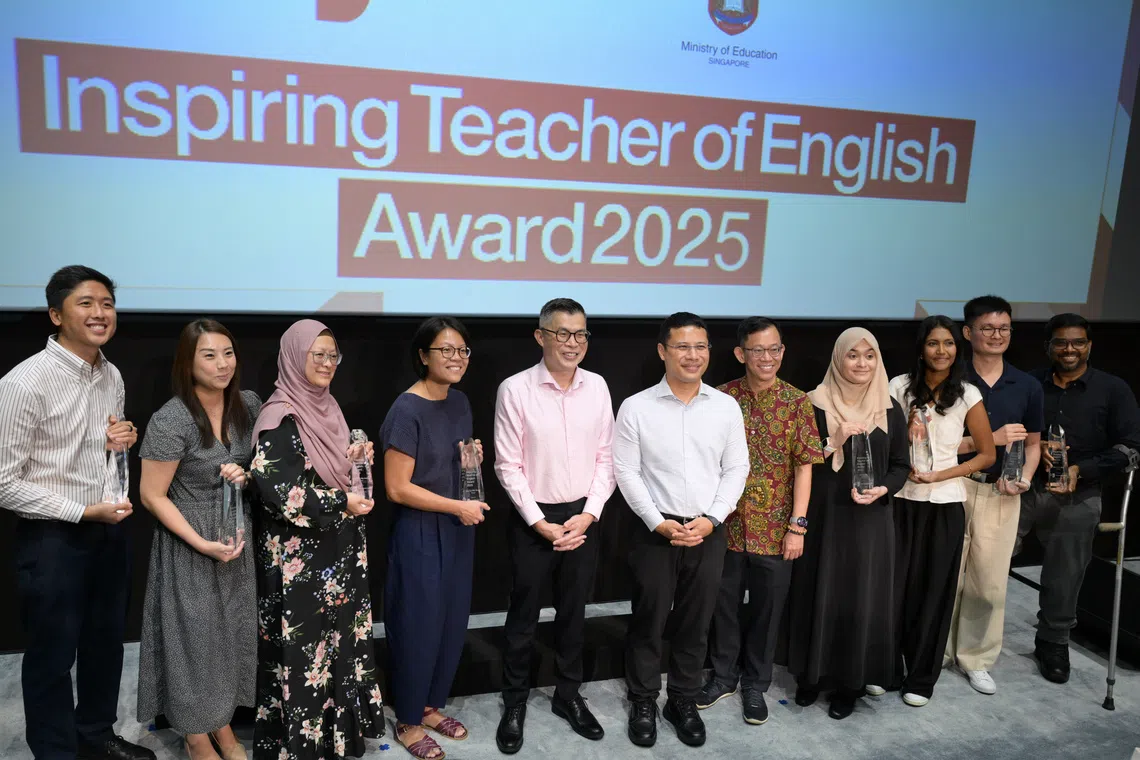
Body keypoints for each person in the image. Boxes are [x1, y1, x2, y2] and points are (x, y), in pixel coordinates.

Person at [0, 265, 154, 760]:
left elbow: (100, 451)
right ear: (55, 314)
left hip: (107, 530)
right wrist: (81, 510)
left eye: (107, 303)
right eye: (86, 303)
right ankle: (55, 751)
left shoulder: (111, 374)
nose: (100, 312)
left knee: (105, 644)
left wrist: (117, 445)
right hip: (52, 538)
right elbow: (4, 483)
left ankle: (96, 735)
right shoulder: (25, 382)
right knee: (51, 655)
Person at [613, 312, 748, 749]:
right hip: (655, 530)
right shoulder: (636, 407)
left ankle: (683, 700)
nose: (693, 355)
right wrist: (657, 521)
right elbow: (626, 472)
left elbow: (736, 468)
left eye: (701, 346)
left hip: (708, 529)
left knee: (696, 621)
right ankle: (644, 699)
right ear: (662, 351)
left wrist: (712, 518)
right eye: (683, 347)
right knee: (649, 619)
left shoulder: (725, 406)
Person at [250, 319, 383, 760]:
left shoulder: (327, 407)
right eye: (317, 355)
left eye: (333, 356)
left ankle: (336, 743)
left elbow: (338, 467)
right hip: (300, 565)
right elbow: (278, 490)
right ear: (293, 357)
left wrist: (358, 456)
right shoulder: (280, 415)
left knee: (337, 651)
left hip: (339, 554)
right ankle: (301, 749)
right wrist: (341, 502)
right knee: (305, 658)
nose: (327, 364)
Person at [493, 299, 615, 753]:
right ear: (540, 336)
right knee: (523, 616)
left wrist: (590, 512)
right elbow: (507, 465)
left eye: (581, 334)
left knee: (574, 613)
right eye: (562, 333)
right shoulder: (515, 389)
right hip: (533, 518)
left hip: (585, 515)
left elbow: (608, 456)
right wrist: (540, 522)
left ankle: (568, 695)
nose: (573, 343)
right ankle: (515, 701)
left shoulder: (599, 386)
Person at [136, 319, 262, 760]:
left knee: (229, 639)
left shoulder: (248, 404)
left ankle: (223, 728)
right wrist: (201, 542)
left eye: (228, 353)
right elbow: (151, 495)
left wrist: (245, 475)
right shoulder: (172, 419)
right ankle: (194, 735)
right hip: (190, 545)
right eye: (209, 355)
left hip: (235, 539)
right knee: (194, 644)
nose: (222, 364)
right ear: (187, 364)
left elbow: (260, 469)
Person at [699, 317, 823, 725]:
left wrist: (797, 526)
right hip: (726, 526)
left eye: (775, 350)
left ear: (782, 352)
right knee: (724, 607)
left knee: (768, 612)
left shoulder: (797, 402)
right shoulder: (721, 397)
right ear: (741, 354)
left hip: (776, 531)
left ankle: (756, 684)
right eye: (758, 350)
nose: (767, 358)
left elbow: (805, 467)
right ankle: (722, 677)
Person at [782, 327, 910, 721]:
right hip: (823, 519)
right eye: (852, 355)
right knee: (816, 592)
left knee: (859, 598)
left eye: (869, 356)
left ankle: (849, 684)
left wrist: (883, 490)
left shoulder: (888, 408)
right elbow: (795, 465)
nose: (861, 364)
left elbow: (901, 465)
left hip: (870, 523)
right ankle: (810, 676)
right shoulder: (811, 404)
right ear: (838, 358)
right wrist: (832, 442)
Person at [380, 317, 489, 760]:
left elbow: (450, 464)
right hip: (421, 531)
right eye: (445, 350)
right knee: (416, 624)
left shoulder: (459, 401)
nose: (456, 358)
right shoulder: (405, 410)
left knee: (449, 622)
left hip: (457, 527)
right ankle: (406, 719)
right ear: (423, 355)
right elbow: (397, 488)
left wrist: (471, 460)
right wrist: (455, 506)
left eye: (462, 350)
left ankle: (428, 706)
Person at [1019, 313, 1140, 683]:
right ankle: (970, 639)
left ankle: (1053, 640)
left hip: (1078, 493)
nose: (1069, 349)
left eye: (1077, 342)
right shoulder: (1029, 383)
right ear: (1048, 347)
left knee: (1065, 571)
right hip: (1024, 486)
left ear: (1089, 346)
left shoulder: (1112, 389)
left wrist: (1080, 470)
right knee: (983, 555)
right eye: (1061, 342)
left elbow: (1131, 449)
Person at [888, 316, 995, 708]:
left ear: (957, 348)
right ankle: (886, 668)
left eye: (948, 343)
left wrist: (942, 474)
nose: (941, 351)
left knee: (934, 592)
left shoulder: (968, 393)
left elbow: (987, 453)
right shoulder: (897, 387)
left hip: (945, 503)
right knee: (893, 589)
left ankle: (921, 677)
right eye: (933, 343)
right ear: (921, 348)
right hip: (899, 502)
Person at [946, 296, 1043, 695]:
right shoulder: (949, 378)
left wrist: (1023, 476)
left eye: (1004, 328)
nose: (996, 335)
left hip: (1002, 493)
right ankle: (933, 650)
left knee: (988, 584)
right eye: (987, 328)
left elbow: (1035, 444)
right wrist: (989, 440)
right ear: (968, 333)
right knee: (945, 574)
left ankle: (977, 657)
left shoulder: (1027, 384)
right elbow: (935, 445)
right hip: (952, 486)